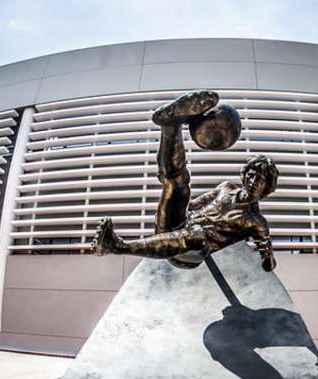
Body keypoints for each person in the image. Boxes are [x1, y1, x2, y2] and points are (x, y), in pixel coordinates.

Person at [93, 90, 278, 272]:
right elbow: (194, 204)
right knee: (179, 185)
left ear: (266, 187)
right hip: (176, 228)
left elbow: (268, 260)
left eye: (260, 180)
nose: (254, 181)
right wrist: (175, 203)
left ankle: (117, 246)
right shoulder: (226, 187)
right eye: (252, 174)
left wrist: (266, 258)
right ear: (244, 175)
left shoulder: (257, 221)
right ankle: (170, 126)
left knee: (197, 235)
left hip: (191, 252)